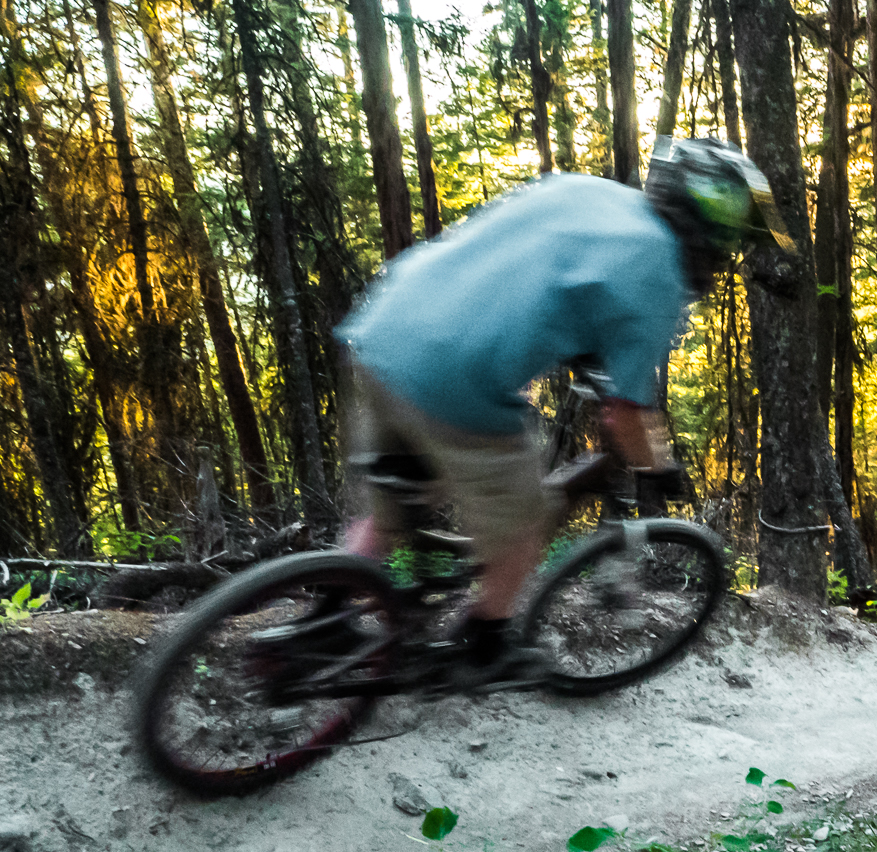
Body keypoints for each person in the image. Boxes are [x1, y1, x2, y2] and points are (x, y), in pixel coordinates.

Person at [330, 137, 792, 680]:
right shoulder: (659, 277)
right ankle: (483, 646)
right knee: (529, 519)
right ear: (715, 226)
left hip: (383, 328)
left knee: (393, 504)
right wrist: (658, 468)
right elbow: (624, 415)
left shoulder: (588, 191)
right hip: (453, 377)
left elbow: (534, 272)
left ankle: (330, 617)